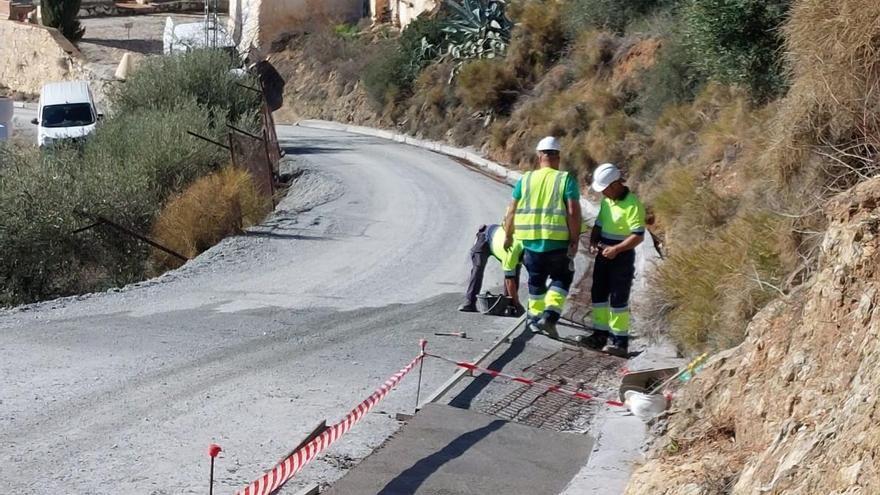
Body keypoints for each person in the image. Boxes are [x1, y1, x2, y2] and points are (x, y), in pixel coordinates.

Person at [503, 137, 582, 338]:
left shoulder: (526, 179)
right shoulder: (565, 179)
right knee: (562, 277)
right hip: (558, 243)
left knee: (536, 282)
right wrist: (574, 239)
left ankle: (534, 320)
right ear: (558, 157)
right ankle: (550, 316)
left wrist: (508, 235)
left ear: (539, 156)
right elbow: (573, 212)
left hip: (531, 244)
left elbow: (511, 210)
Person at [583, 163, 646, 357]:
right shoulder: (607, 202)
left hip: (622, 257)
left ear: (615, 185)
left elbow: (638, 235)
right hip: (604, 254)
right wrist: (594, 242)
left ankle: (620, 343)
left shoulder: (633, 204)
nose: (603, 194)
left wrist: (617, 249)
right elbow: (598, 226)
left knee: (619, 298)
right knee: (598, 294)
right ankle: (599, 335)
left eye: (605, 190)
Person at [458, 224, 525, 314]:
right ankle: (470, 302)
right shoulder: (512, 252)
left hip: (501, 244)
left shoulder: (528, 249)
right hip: (485, 237)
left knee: (515, 271)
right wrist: (518, 305)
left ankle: (509, 305)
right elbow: (510, 280)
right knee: (478, 268)